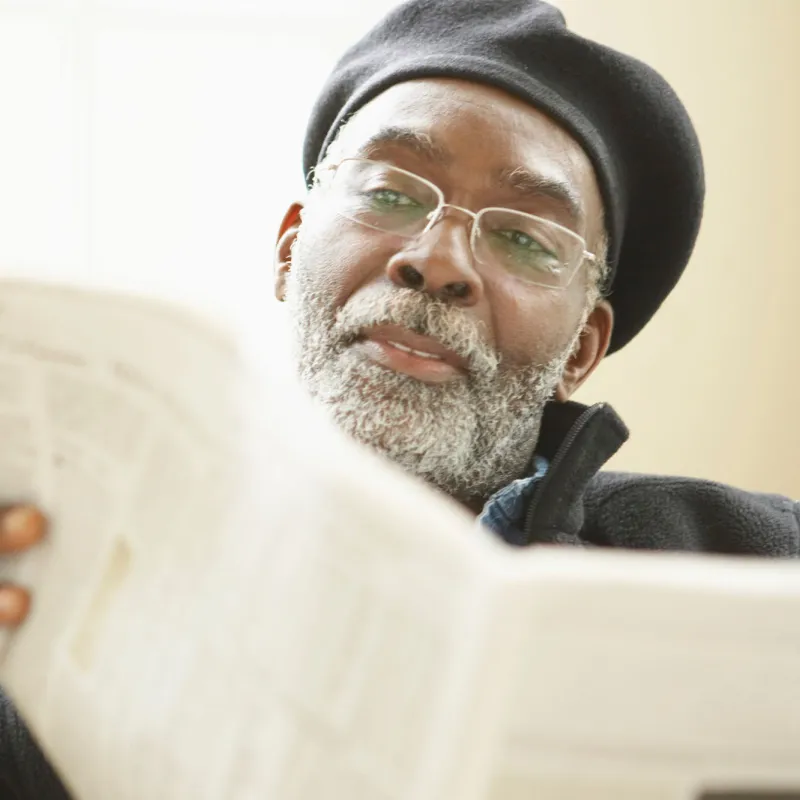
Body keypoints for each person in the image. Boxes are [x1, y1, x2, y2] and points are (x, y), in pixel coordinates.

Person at [1, 0, 798, 796]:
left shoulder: (751, 567)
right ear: (289, 250)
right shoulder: (70, 554)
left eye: (524, 237)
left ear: (581, 349)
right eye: (389, 193)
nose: (437, 260)